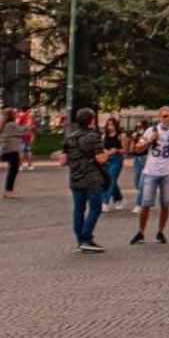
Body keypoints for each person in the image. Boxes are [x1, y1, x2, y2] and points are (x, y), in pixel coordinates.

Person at [131, 107, 169, 245]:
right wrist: (149, 140)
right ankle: (141, 232)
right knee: (145, 204)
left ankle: (160, 232)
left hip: (167, 173)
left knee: (165, 204)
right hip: (151, 172)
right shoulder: (151, 131)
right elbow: (137, 149)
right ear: (159, 117)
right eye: (165, 116)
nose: (168, 119)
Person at [63, 108, 109, 254]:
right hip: (91, 178)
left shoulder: (70, 137)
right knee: (95, 207)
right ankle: (86, 238)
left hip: (75, 177)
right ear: (91, 120)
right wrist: (107, 154)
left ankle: (80, 241)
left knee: (79, 209)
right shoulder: (93, 136)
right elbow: (100, 159)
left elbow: (63, 160)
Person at [0, 109, 25, 199]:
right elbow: (21, 131)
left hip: (7, 150)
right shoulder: (11, 124)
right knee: (13, 172)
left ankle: (7, 191)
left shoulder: (4, 124)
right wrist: (29, 125)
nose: (16, 115)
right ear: (11, 115)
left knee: (11, 171)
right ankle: (9, 192)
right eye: (14, 113)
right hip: (12, 150)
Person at [100, 117, 127, 211]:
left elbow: (125, 150)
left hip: (117, 159)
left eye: (112, 124)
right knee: (110, 180)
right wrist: (105, 151)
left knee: (111, 179)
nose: (110, 127)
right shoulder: (104, 136)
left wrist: (116, 150)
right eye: (108, 125)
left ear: (116, 125)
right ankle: (118, 199)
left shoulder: (121, 135)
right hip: (106, 159)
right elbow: (102, 147)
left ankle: (104, 202)